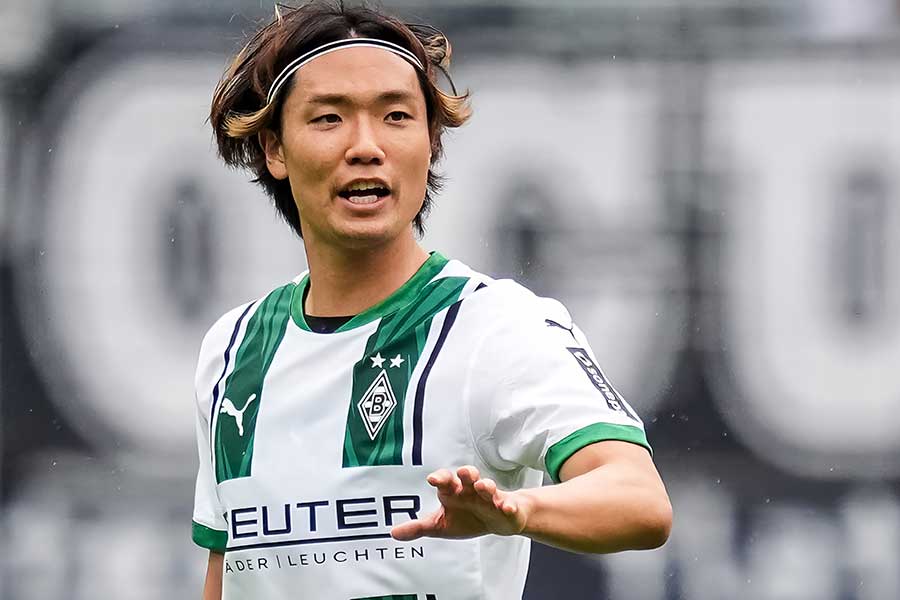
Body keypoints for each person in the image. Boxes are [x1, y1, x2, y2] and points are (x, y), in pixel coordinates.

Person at [192, 2, 672, 599]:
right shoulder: (233, 350)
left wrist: (517, 512)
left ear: (431, 142)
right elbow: (227, 577)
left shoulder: (496, 327)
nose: (366, 146)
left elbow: (639, 500)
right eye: (329, 118)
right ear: (274, 149)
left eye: (396, 116)